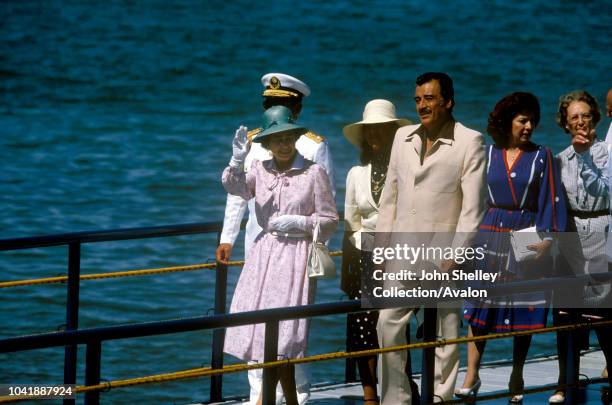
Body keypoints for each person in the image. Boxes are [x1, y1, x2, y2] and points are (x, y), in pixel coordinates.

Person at [215, 73, 335, 404]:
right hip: (260, 245)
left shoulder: (313, 145)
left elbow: (327, 204)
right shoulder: (254, 141)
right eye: (270, 103)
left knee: (291, 332)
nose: (275, 108)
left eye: (282, 104)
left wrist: (314, 244)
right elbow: (238, 192)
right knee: (256, 326)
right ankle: (260, 398)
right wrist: (227, 235)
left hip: (298, 251)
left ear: (296, 108)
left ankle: (298, 395)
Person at [375, 72, 487, 404]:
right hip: (401, 254)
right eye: (418, 99)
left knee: (446, 335)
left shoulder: (471, 141)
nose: (422, 105)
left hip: (444, 257)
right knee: (388, 324)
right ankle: (397, 398)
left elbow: (473, 207)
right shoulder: (402, 137)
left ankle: (440, 398)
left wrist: (455, 254)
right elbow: (389, 199)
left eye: (430, 98)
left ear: (448, 101)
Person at [459, 92, 567, 403]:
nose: (529, 126)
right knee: (478, 306)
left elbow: (550, 197)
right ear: (508, 122)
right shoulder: (489, 154)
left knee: (523, 306)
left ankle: (517, 373)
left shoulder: (542, 156)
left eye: (532, 120)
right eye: (523, 120)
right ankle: (472, 374)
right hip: (490, 231)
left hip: (525, 232)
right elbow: (474, 197)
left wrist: (547, 239)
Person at [341, 99, 412, 404]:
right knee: (363, 327)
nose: (375, 137)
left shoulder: (406, 173)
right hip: (365, 253)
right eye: (370, 131)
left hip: (398, 252)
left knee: (395, 325)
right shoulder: (356, 174)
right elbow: (350, 222)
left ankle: (397, 388)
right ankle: (370, 394)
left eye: (381, 131)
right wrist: (355, 264)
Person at [552, 90, 612, 404]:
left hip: (602, 230)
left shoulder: (606, 151)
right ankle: (565, 381)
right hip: (572, 235)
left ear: (594, 118)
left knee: (601, 311)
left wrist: (587, 157)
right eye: (574, 117)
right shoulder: (560, 159)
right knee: (564, 311)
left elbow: (604, 193)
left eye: (586, 116)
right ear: (565, 123)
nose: (580, 122)